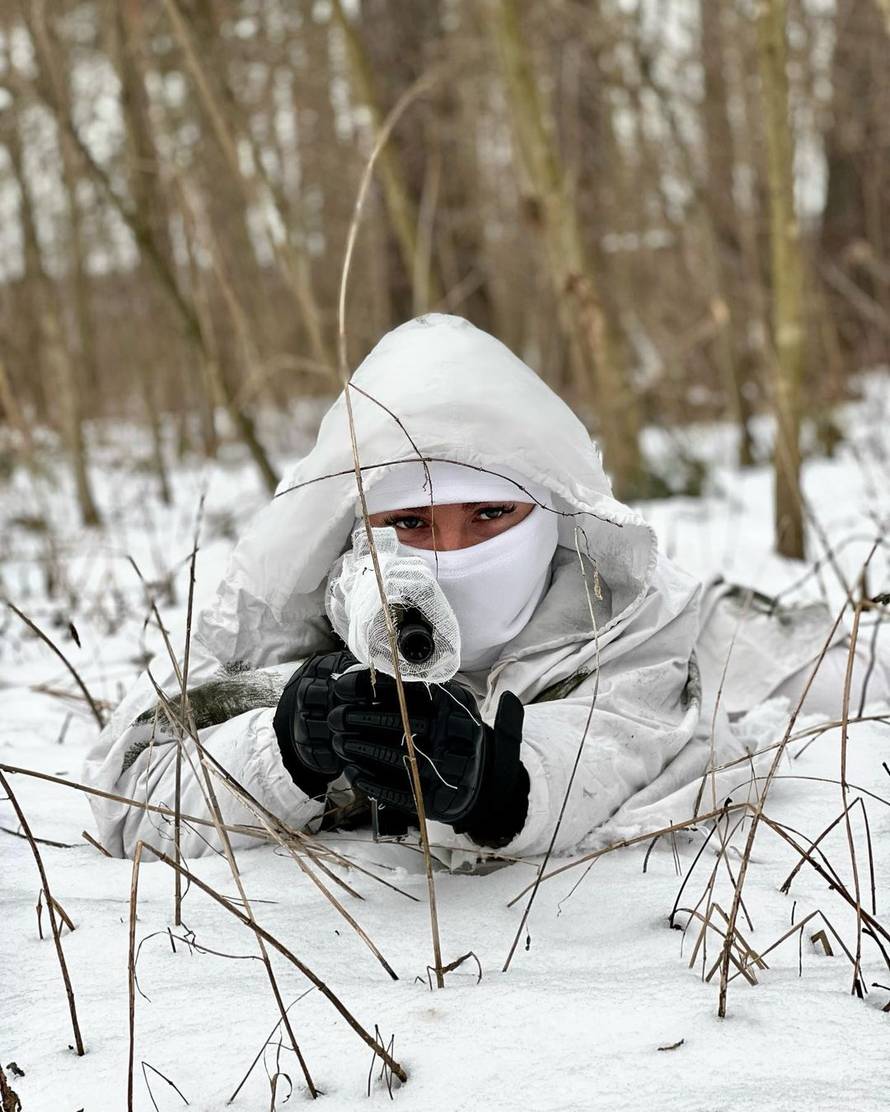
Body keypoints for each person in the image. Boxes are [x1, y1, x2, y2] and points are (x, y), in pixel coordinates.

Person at [83, 314, 883, 861]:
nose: (454, 552)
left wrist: (502, 791)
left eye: (491, 514)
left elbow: (634, 744)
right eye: (414, 525)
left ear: (550, 513)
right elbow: (131, 795)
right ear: (357, 530)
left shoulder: (631, 619)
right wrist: (285, 750)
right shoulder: (291, 624)